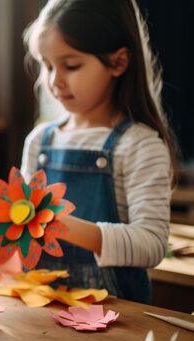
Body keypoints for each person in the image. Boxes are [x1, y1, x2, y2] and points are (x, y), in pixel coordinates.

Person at [19, 0, 177, 304]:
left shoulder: (139, 146)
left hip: (116, 319)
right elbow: (29, 235)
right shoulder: (40, 141)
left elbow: (153, 244)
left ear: (117, 63)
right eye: (48, 65)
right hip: (43, 308)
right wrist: (3, 225)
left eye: (71, 66)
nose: (54, 80)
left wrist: (60, 223)